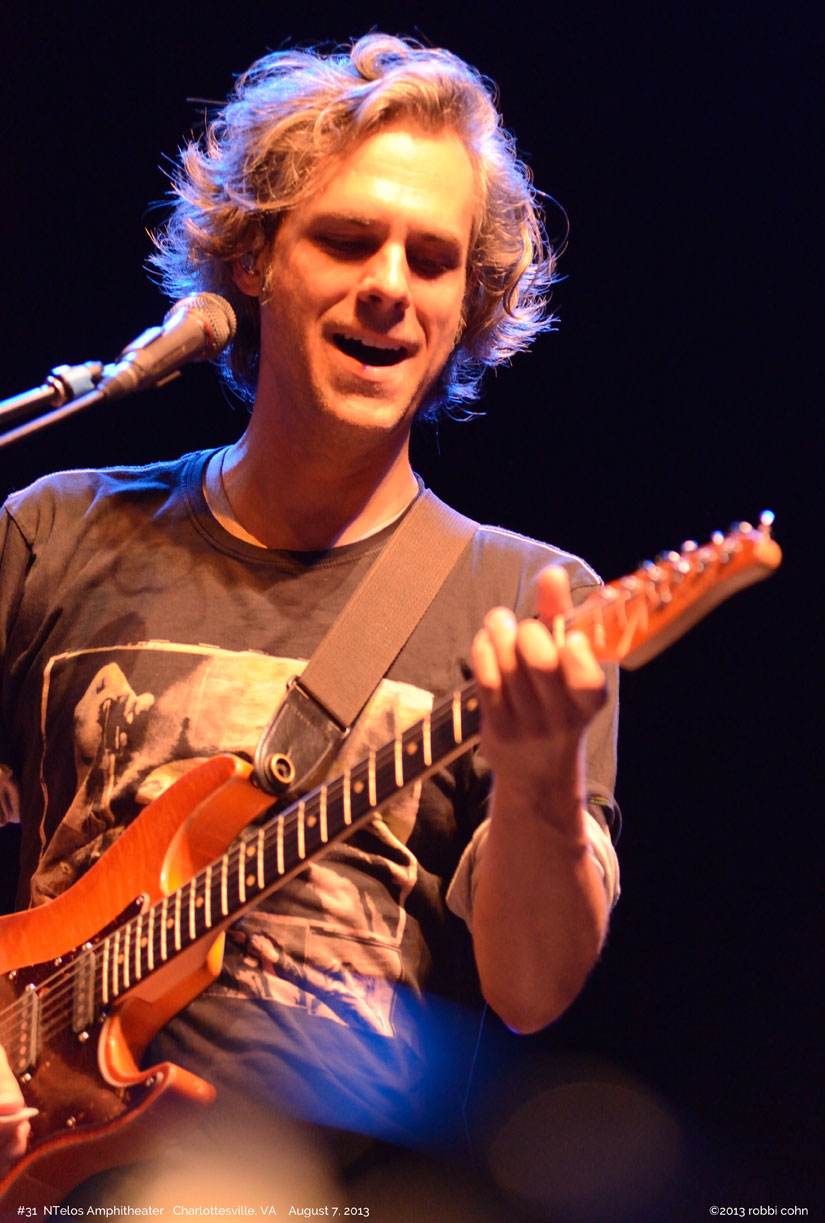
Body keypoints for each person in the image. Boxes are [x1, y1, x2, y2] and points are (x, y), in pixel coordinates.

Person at [0, 34, 620, 1200]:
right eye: (346, 238)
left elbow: (534, 990)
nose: (390, 283)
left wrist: (543, 780)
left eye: (433, 259)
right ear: (252, 260)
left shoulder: (530, 604)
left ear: (467, 308)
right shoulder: (53, 532)